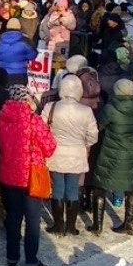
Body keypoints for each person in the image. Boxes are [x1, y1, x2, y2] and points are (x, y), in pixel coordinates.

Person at [0, 85, 55, 266]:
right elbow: (50, 147)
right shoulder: (33, 120)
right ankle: (31, 262)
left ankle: (12, 257)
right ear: (26, 99)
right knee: (32, 220)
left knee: (13, 218)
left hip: (8, 175)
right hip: (30, 176)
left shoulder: (1, 118)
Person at [42, 74, 98, 236]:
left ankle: (58, 225)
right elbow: (93, 136)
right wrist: (84, 145)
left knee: (58, 188)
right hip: (77, 154)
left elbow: (42, 129)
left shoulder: (51, 107)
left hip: (55, 154)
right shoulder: (86, 111)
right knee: (73, 189)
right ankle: (71, 226)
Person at [92, 79, 133, 234]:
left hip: (111, 153)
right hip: (132, 153)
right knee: (130, 188)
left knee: (101, 187)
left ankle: (97, 226)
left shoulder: (111, 108)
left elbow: (98, 127)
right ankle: (130, 224)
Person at [0, 18, 38, 85]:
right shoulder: (25, 40)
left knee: (4, 94)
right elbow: (33, 55)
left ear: (7, 26)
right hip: (20, 74)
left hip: (2, 73)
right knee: (18, 94)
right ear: (19, 27)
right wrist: (23, 56)